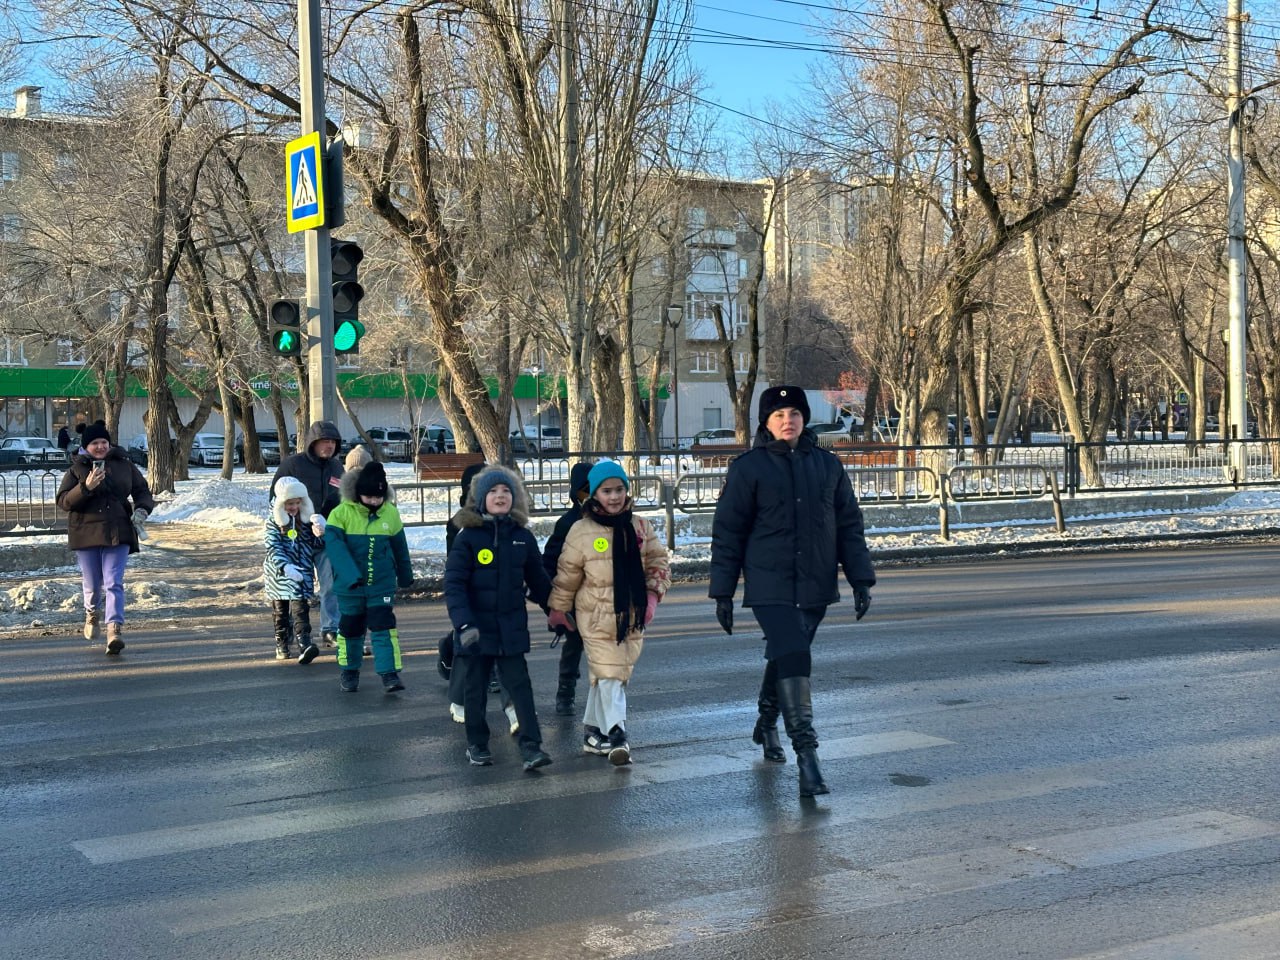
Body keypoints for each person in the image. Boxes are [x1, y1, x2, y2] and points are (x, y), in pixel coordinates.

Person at [709, 385, 876, 798]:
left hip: (816, 583)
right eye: (780, 413)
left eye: (795, 413)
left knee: (786, 657)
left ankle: (767, 722)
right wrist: (723, 593)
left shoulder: (827, 466)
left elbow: (849, 527)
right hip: (770, 583)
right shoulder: (748, 468)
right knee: (796, 654)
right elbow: (728, 533)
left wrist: (860, 579)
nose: (789, 420)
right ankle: (808, 755)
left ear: (805, 419)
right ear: (766, 422)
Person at [547, 460, 670, 766]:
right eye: (606, 491)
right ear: (594, 494)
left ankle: (593, 731)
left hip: (632, 613)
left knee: (609, 673)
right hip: (594, 614)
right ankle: (617, 733)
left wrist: (652, 597)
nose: (613, 497)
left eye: (618, 489)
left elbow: (658, 563)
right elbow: (567, 576)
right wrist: (558, 609)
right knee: (611, 673)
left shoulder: (640, 526)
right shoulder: (581, 530)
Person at [444, 464, 553, 771]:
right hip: (475, 631)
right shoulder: (468, 538)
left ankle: (531, 746)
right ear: (480, 499)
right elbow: (453, 585)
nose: (501, 496)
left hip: (510, 628)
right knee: (475, 690)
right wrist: (463, 624)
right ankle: (477, 744)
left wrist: (557, 611)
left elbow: (539, 581)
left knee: (520, 687)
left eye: (506, 491)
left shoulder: (522, 538)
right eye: (493, 491)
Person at [55, 422, 156, 655]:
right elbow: (63, 502)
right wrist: (86, 486)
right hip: (86, 532)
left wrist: (142, 509)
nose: (100, 447)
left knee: (113, 581)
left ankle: (114, 630)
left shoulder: (124, 464)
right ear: (86, 446)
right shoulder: (76, 470)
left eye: (103, 442)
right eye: (94, 443)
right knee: (92, 584)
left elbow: (142, 490)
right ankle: (91, 614)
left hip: (118, 531)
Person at [322, 460, 413, 693]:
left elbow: (399, 547)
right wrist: (352, 575)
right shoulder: (340, 513)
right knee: (351, 629)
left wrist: (405, 575)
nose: (374, 502)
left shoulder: (390, 513)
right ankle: (349, 671)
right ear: (358, 493)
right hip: (349, 586)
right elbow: (335, 548)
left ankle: (390, 674)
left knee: (383, 627)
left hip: (381, 584)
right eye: (369, 497)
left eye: (378, 497)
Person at [272, 421, 344, 647]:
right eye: (325, 441)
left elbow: (342, 501)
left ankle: (330, 629)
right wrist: (285, 527)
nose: (329, 446)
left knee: (330, 583)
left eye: (333, 442)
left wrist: (333, 526)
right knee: (296, 587)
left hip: (324, 536)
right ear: (313, 443)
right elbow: (275, 500)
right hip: (296, 538)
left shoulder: (336, 468)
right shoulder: (293, 465)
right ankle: (293, 634)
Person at [540, 461, 594, 715]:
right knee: (574, 645)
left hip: (602, 599)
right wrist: (554, 601)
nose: (590, 496)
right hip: (574, 599)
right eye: (584, 490)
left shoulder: (610, 521)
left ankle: (605, 693)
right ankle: (565, 692)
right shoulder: (568, 522)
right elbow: (549, 561)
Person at [263, 476, 326, 663]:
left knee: (301, 610)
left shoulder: (303, 520)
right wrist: (285, 566)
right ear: (281, 502)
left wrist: (321, 532)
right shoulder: (273, 522)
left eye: (297, 503)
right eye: (290, 503)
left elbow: (313, 544)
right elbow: (272, 546)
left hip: (301, 573)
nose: (294, 507)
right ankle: (281, 643)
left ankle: (305, 644)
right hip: (280, 575)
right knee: (281, 612)